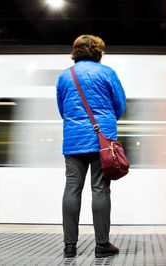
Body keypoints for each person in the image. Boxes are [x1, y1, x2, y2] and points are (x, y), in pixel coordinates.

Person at [56, 35, 126, 258]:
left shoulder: (65, 76)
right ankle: (102, 245)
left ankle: (69, 246)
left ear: (75, 52)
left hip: (73, 139)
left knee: (72, 189)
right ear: (99, 53)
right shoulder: (107, 73)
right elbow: (120, 105)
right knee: (100, 189)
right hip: (102, 141)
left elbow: (62, 109)